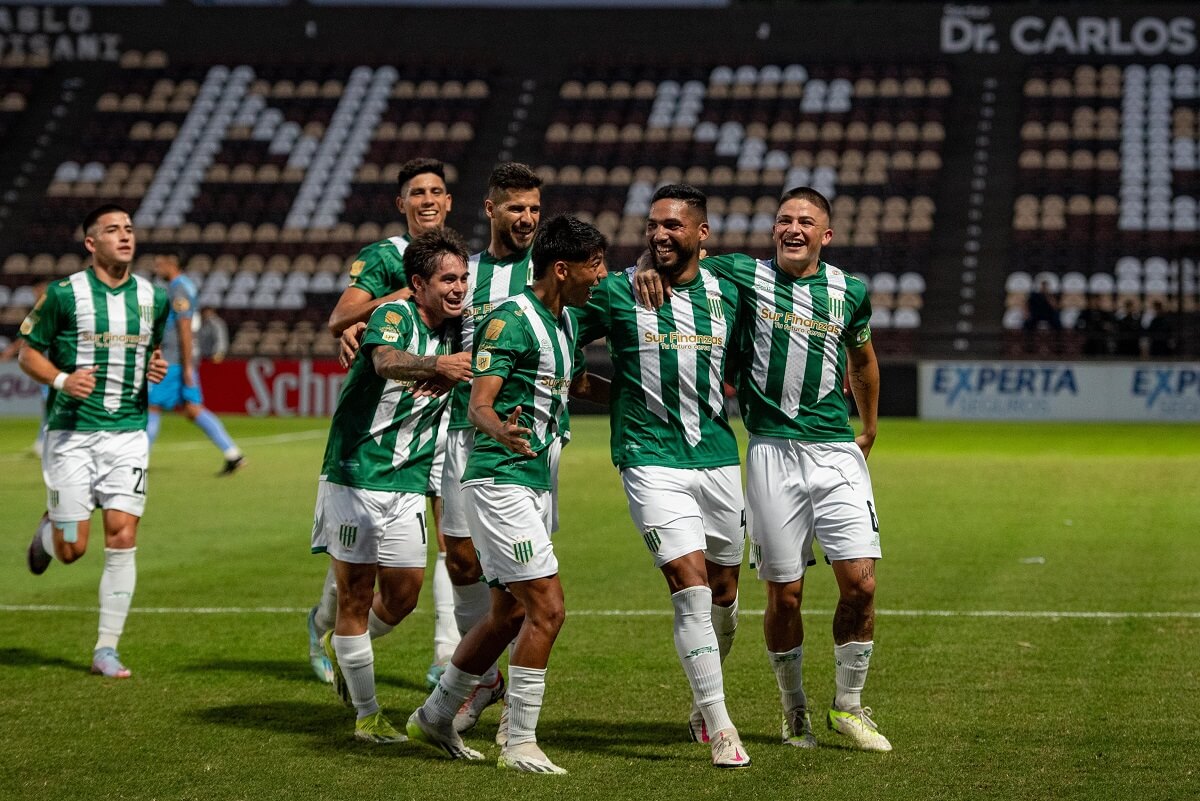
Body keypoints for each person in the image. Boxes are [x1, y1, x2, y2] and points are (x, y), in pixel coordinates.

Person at [638, 186, 891, 752]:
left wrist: (869, 426)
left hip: (835, 453)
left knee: (862, 583)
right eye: (783, 220)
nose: (792, 228)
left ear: (826, 235)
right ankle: (793, 708)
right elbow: (669, 250)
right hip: (771, 451)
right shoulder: (740, 275)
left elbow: (864, 360)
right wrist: (640, 265)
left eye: (805, 221)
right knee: (787, 594)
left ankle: (848, 706)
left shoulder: (850, 291)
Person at [407, 215, 607, 775]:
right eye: (595, 266)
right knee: (548, 608)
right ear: (562, 269)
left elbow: (574, 386)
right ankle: (518, 739)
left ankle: (435, 713)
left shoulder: (563, 323)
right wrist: (496, 427)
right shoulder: (510, 320)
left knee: (506, 616)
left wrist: (644, 395)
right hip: (501, 480)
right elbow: (480, 402)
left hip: (537, 481)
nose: (602, 277)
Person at [571, 184, 750, 768]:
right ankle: (723, 726)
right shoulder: (618, 292)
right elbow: (554, 334)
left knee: (724, 595)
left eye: (673, 226)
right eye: (652, 226)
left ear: (702, 234)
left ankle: (703, 704)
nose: (660, 235)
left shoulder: (730, 285)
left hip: (719, 458)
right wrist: (603, 390)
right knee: (690, 589)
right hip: (649, 460)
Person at [310, 228, 472, 743]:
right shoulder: (392, 316)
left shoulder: (460, 328)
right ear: (418, 284)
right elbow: (384, 361)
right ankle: (368, 715)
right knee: (356, 594)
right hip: (357, 474)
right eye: (448, 278)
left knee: (402, 596)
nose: (459, 287)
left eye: (464, 278)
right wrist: (436, 366)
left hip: (408, 481)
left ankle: (343, 644)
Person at [18, 203, 169, 678]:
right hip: (72, 435)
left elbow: (152, 349)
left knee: (122, 535)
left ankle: (107, 648)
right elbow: (27, 354)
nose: (125, 236)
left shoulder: (153, 297)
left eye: (128, 228)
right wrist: (62, 380)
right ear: (91, 243)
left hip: (128, 434)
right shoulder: (64, 295)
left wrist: (154, 367)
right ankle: (49, 534)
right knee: (72, 548)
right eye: (112, 230)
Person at [436, 162, 544, 729]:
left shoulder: (551, 272)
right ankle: (486, 678)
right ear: (490, 209)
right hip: (461, 429)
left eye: (533, 209)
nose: (526, 219)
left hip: (533, 439)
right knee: (460, 557)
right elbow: (423, 310)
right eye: (515, 208)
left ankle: (502, 687)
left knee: (522, 576)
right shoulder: (466, 274)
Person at [147, 251, 245, 474]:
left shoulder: (179, 288)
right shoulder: (183, 286)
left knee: (151, 406)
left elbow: (184, 327)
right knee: (193, 409)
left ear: (171, 264)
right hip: (182, 359)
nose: (156, 269)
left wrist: (187, 365)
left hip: (174, 359)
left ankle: (138, 462)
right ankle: (233, 453)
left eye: (159, 264)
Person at [1, 280, 49, 455]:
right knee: (49, 403)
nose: (38, 293)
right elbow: (25, 334)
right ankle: (43, 441)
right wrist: (12, 350)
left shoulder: (56, 309)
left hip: (59, 364)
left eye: (41, 290)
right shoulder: (37, 313)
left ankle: (44, 441)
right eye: (37, 290)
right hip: (46, 365)